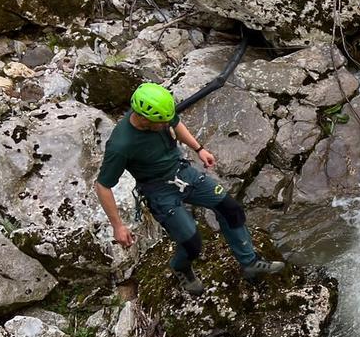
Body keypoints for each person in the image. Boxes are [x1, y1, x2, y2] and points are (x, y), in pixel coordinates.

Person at [94, 82, 284, 296]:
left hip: (182, 173)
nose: (166, 124)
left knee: (230, 209)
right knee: (192, 242)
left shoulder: (159, 115)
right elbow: (103, 186)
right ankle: (180, 266)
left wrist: (199, 148)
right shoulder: (121, 145)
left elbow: (176, 124)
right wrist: (118, 226)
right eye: (162, 122)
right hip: (158, 191)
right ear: (144, 119)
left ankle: (250, 262)